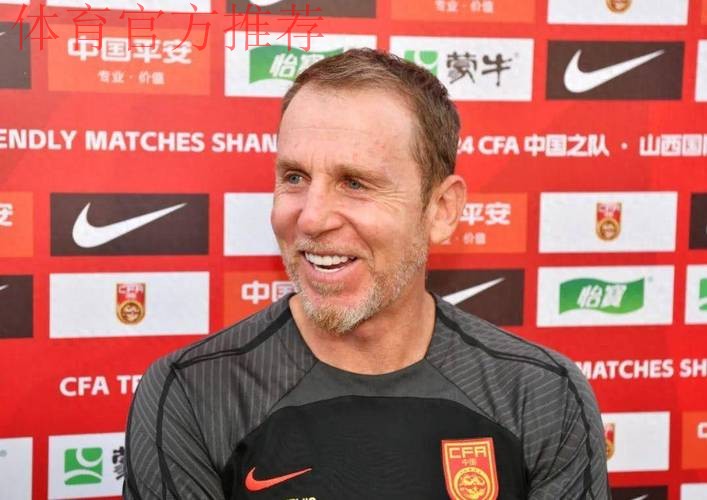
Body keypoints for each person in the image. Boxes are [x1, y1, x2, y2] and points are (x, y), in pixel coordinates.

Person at [123, 48, 609, 499]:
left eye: (355, 183)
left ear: (441, 209)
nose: (312, 218)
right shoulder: (193, 393)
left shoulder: (542, 394)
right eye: (295, 177)